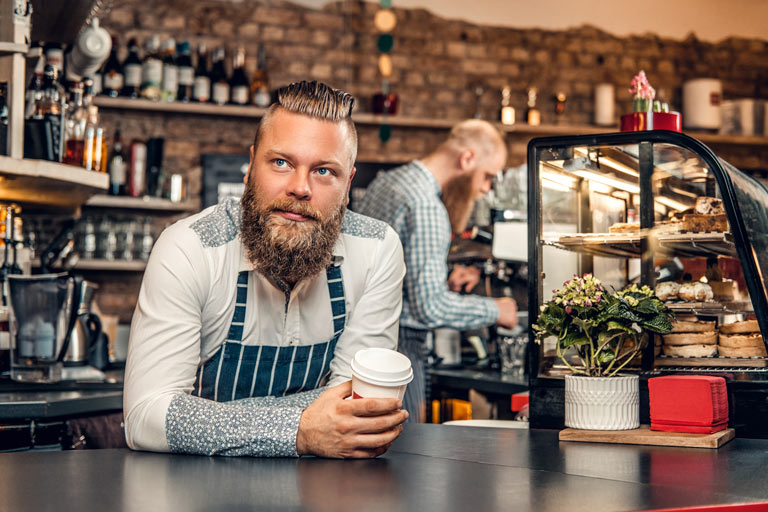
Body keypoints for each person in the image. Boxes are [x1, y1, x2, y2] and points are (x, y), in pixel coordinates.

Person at [124, 81, 408, 458]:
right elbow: (145, 416)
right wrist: (299, 430)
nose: (299, 187)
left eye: (324, 171)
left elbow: (355, 417)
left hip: (319, 493)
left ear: (348, 183)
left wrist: (200, 418)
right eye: (281, 163)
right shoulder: (191, 247)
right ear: (250, 167)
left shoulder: (377, 250)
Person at [357, 119, 518, 422]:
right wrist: (497, 310)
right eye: (487, 177)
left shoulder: (388, 182)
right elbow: (428, 308)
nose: (485, 190)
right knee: (408, 452)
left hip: (362, 345)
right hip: (400, 346)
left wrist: (439, 281)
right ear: (467, 159)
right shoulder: (426, 206)